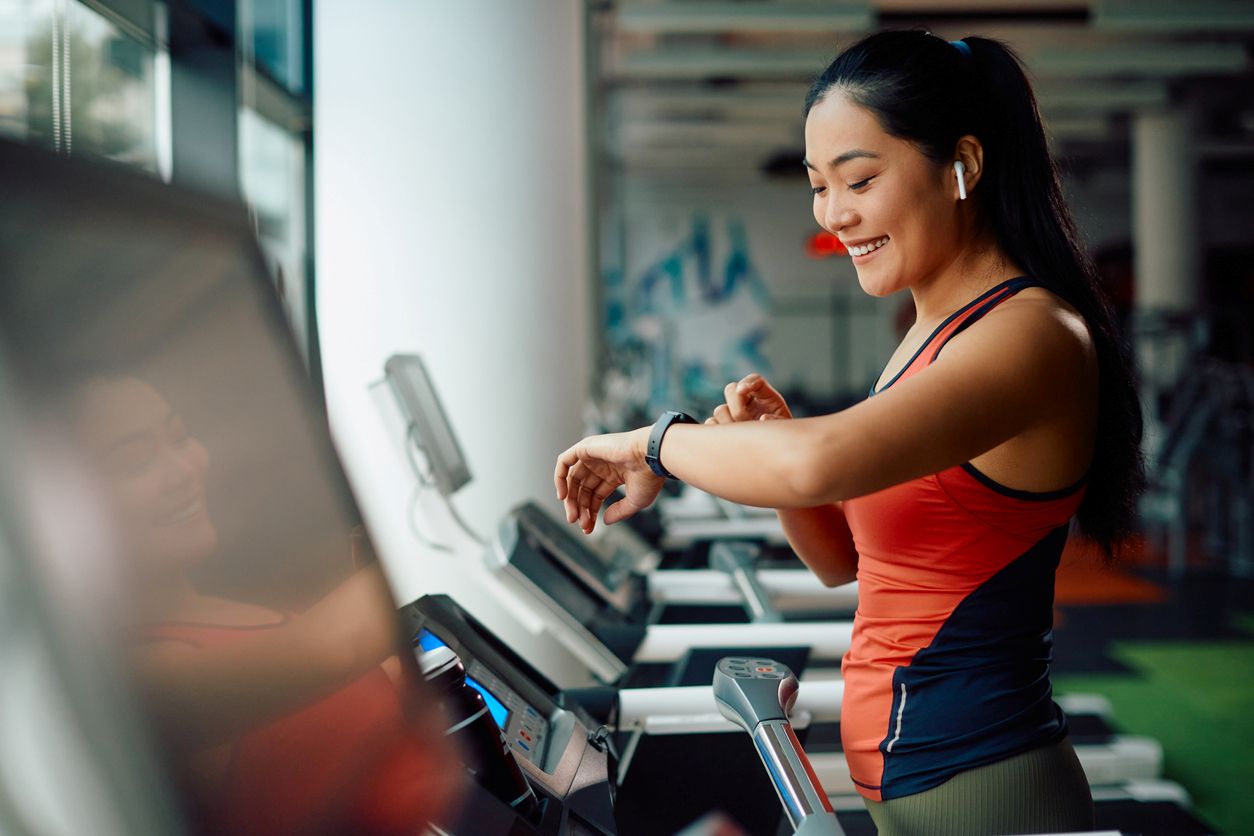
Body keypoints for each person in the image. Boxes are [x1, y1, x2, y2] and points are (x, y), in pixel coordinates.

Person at [554, 30, 1144, 835]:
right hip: (911, 778)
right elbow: (843, 559)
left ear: (962, 164)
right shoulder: (926, 338)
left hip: (980, 778)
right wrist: (779, 441)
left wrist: (650, 442)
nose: (834, 215)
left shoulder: (1033, 334)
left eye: (859, 179)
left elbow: (816, 465)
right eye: (816, 187)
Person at [71, 374, 463, 835]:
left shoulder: (236, 613)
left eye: (180, 437)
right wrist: (433, 509)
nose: (183, 470)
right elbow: (333, 647)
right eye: (137, 462)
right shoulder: (143, 679)